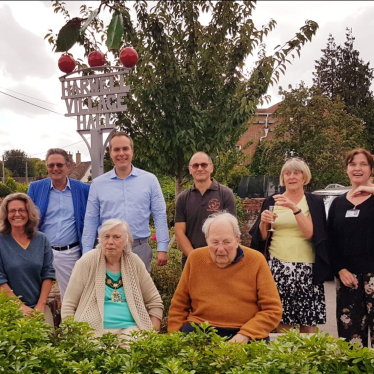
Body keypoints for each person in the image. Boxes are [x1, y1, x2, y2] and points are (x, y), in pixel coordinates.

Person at [168, 212, 282, 343]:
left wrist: (246, 334)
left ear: (238, 240)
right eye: (215, 242)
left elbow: (272, 310)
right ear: (207, 240)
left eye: (227, 242)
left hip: (244, 329)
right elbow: (178, 306)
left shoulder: (256, 260)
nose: (220, 249)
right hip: (200, 329)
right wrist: (174, 339)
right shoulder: (195, 258)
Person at [250, 158, 330, 333]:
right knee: (281, 320)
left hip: (306, 267)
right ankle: (285, 359)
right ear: (282, 178)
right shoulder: (272, 200)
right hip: (277, 266)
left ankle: (307, 360)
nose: (291, 177)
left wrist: (294, 208)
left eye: (296, 173)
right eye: (287, 173)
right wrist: (263, 223)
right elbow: (262, 237)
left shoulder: (313, 201)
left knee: (307, 322)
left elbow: (310, 233)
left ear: (304, 177)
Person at [62, 219, 163, 339]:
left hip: (131, 329)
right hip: (91, 329)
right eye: (106, 236)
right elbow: (68, 304)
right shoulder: (87, 261)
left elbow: (155, 302)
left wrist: (152, 333)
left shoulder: (134, 262)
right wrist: (72, 334)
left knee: (132, 348)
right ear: (100, 239)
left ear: (126, 241)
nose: (110, 242)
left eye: (116, 237)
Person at [82, 132, 169, 272]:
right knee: (110, 292)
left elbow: (159, 215)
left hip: (139, 248)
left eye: (125, 148)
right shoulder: (98, 184)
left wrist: (162, 247)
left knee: (139, 292)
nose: (121, 153)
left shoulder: (150, 180)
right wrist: (86, 252)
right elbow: (91, 219)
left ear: (132, 151)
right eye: (116, 149)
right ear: (110, 153)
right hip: (108, 249)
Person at [28, 148, 90, 300]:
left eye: (59, 165)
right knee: (33, 296)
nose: (55, 168)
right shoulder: (36, 188)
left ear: (68, 167)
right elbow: (27, 217)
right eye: (51, 165)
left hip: (70, 253)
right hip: (41, 251)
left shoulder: (83, 189)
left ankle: (68, 324)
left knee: (71, 298)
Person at [327, 148, 374, 348]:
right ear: (346, 169)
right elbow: (330, 241)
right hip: (349, 281)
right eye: (352, 164)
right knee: (351, 345)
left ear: (371, 169)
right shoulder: (338, 203)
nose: (357, 168)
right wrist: (340, 269)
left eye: (363, 164)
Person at [175, 152, 237, 268]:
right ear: (190, 170)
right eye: (195, 165)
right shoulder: (183, 198)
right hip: (192, 261)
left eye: (204, 165)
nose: (200, 169)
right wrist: (195, 257)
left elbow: (231, 230)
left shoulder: (225, 194)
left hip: (220, 260)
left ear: (211, 168)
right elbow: (179, 232)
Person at [0, 193, 55, 323]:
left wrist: (40, 306)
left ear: (29, 213)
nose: (17, 214)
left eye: (22, 210)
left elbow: (48, 273)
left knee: (48, 338)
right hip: (8, 307)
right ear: (6, 215)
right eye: (12, 211)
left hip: (38, 306)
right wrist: (20, 306)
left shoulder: (41, 239)